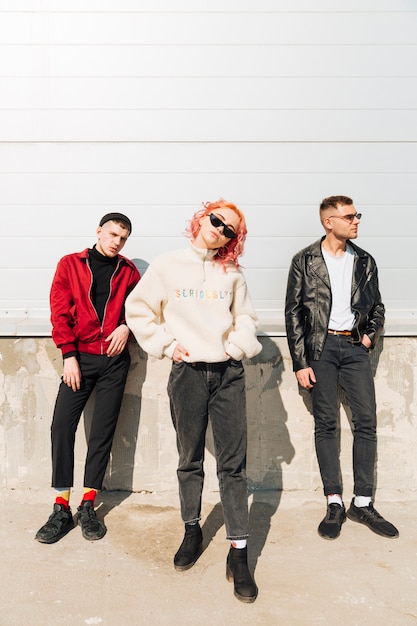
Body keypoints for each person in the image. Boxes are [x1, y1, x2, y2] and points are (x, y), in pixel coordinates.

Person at [126, 200, 262, 603]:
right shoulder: (167, 266)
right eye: (215, 220)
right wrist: (167, 346)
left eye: (229, 229)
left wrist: (237, 348)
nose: (219, 229)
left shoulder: (232, 273)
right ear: (201, 219)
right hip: (187, 375)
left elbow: (247, 319)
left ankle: (239, 552)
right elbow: (139, 310)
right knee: (190, 458)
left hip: (227, 375)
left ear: (233, 239)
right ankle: (192, 529)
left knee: (233, 466)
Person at [285, 196, 399, 541]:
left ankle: (362, 502)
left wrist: (367, 338)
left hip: (354, 347)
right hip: (320, 348)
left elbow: (377, 306)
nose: (356, 221)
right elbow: (293, 313)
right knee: (327, 423)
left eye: (357, 215)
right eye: (349, 216)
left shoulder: (364, 261)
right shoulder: (304, 260)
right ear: (328, 222)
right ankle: (334, 501)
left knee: (366, 422)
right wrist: (300, 362)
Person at [35, 213, 140, 544]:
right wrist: (68, 355)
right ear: (98, 231)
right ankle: (61, 507)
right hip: (78, 358)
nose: (116, 242)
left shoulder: (129, 271)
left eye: (122, 239)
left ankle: (89, 505)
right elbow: (59, 311)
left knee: (102, 433)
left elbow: (141, 310)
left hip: (114, 362)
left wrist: (127, 326)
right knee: (61, 427)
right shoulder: (70, 264)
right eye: (112, 235)